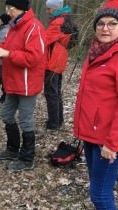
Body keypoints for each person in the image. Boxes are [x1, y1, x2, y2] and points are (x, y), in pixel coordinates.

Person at [73, 0, 118, 208]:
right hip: (92, 133)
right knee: (97, 188)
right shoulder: (98, 52)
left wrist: (113, 143)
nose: (105, 28)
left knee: (100, 194)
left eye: (112, 23)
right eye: (101, 23)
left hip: (109, 139)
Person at [0, 0, 46, 171]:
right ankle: (13, 149)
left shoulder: (34, 27)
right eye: (7, 8)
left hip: (27, 83)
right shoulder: (13, 27)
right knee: (6, 114)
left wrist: (8, 54)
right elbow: (7, 47)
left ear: (21, 8)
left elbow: (33, 58)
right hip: (13, 82)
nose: (8, 12)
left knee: (25, 121)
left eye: (11, 8)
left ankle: (27, 158)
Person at [43, 0, 73, 132]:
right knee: (56, 92)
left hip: (52, 62)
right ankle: (58, 120)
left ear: (55, 8)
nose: (47, 11)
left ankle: (53, 123)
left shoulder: (57, 22)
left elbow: (44, 40)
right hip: (59, 60)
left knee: (51, 93)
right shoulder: (64, 20)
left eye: (49, 9)